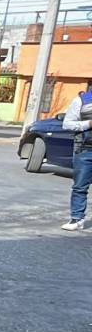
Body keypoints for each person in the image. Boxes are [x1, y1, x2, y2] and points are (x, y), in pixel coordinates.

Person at [60, 91, 92, 231]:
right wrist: (88, 123)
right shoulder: (82, 101)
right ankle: (77, 219)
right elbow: (67, 124)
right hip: (85, 150)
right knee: (80, 186)